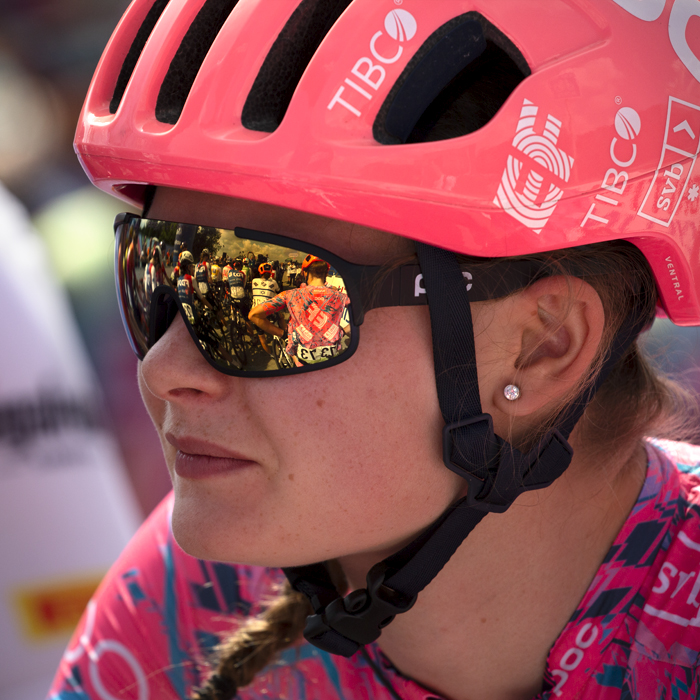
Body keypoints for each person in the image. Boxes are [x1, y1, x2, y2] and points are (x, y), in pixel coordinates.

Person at [49, 3, 700, 700]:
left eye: (270, 297)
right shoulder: (194, 599)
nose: (163, 368)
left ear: (542, 347)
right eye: (153, 277)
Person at [250, 254, 350, 366]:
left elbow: (253, 315)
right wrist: (342, 331)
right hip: (333, 360)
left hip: (303, 362)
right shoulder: (340, 296)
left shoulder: (290, 295)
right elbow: (362, 315)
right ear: (326, 274)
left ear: (304, 273)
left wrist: (282, 334)